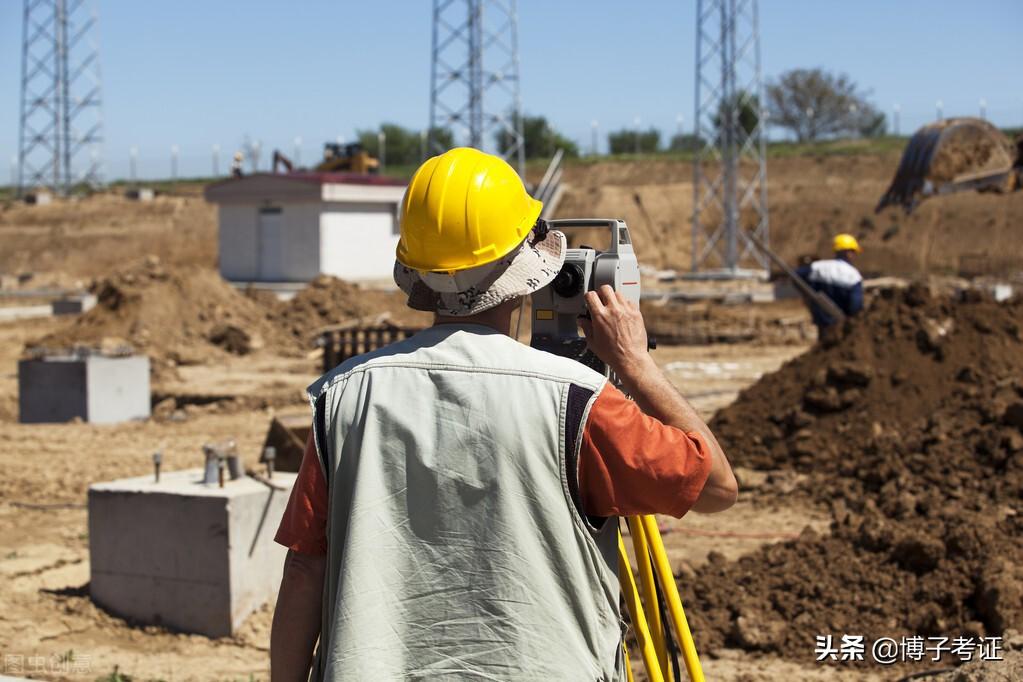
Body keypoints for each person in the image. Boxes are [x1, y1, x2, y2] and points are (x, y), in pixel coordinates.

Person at [269, 147, 738, 681]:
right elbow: (717, 487)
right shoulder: (579, 403)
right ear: (530, 269)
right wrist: (635, 365)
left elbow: (305, 568)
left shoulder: (344, 396)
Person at [796, 233, 865, 333]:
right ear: (848, 253)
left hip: (822, 322)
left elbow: (796, 276)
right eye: (853, 252)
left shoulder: (818, 267)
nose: (854, 256)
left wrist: (807, 296)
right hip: (842, 327)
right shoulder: (853, 276)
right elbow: (855, 305)